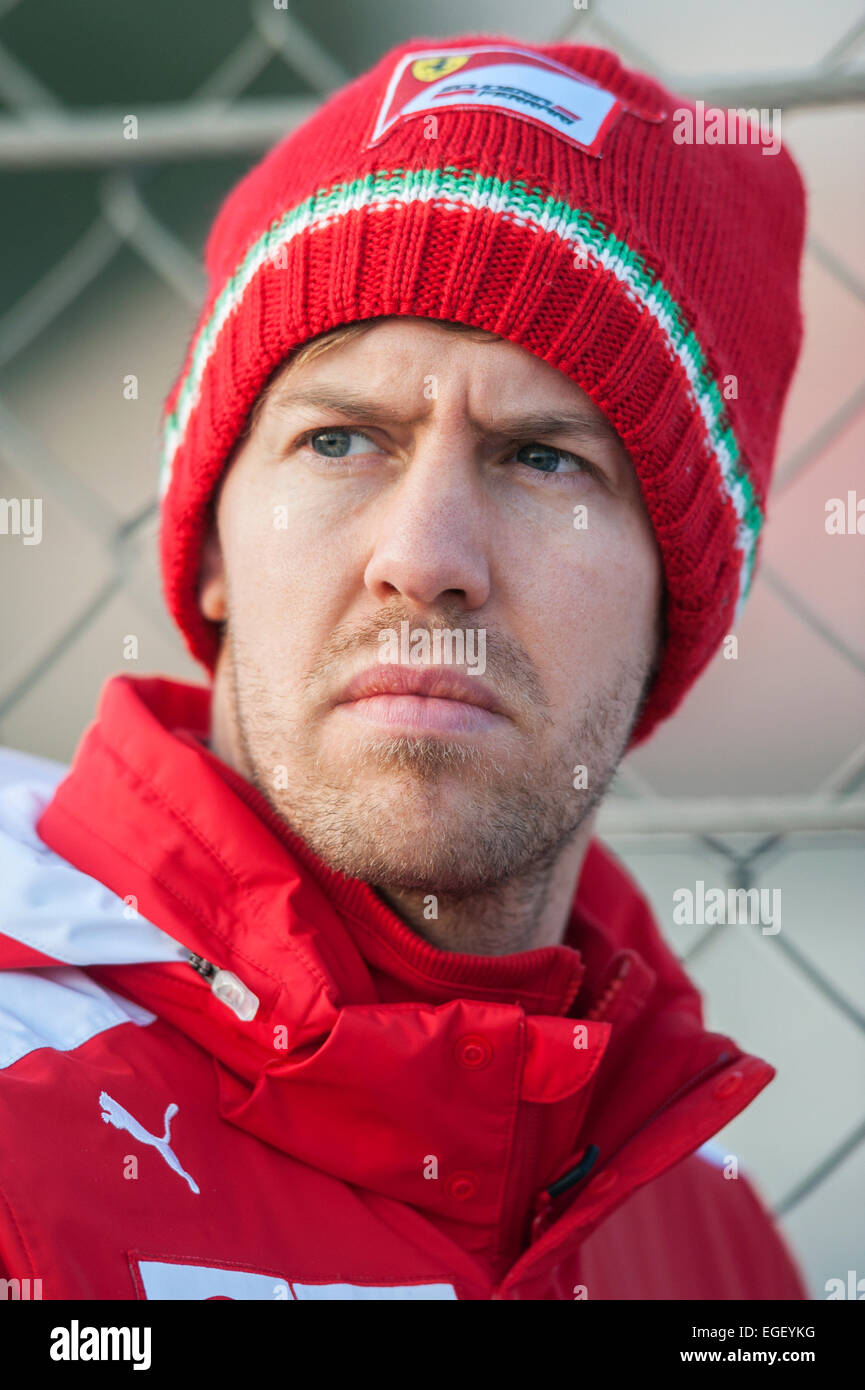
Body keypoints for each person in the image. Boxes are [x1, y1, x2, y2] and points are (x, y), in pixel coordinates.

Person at [0, 33, 807, 1300]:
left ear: (677, 611)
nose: (424, 559)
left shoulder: (690, 1224)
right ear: (211, 548)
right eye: (340, 440)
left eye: (544, 457)